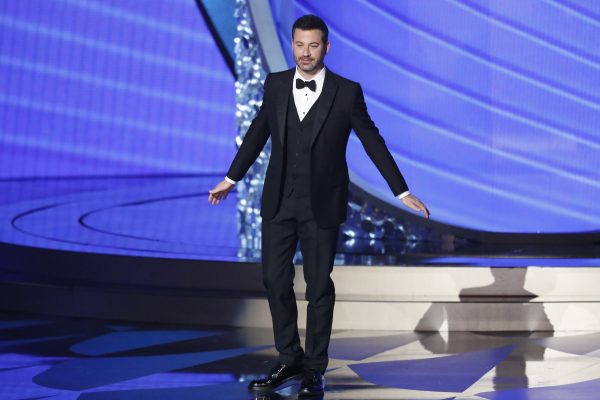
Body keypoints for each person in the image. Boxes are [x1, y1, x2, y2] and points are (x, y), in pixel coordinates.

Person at [208, 14, 429, 397]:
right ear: (292, 45)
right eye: (299, 45)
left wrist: (400, 191)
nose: (305, 53)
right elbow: (258, 132)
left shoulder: (346, 92)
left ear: (326, 47)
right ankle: (289, 359)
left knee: (318, 288)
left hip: (321, 206)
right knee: (274, 281)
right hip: (278, 202)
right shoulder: (276, 85)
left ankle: (314, 368)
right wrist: (231, 178)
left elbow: (372, 142)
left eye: (313, 45)